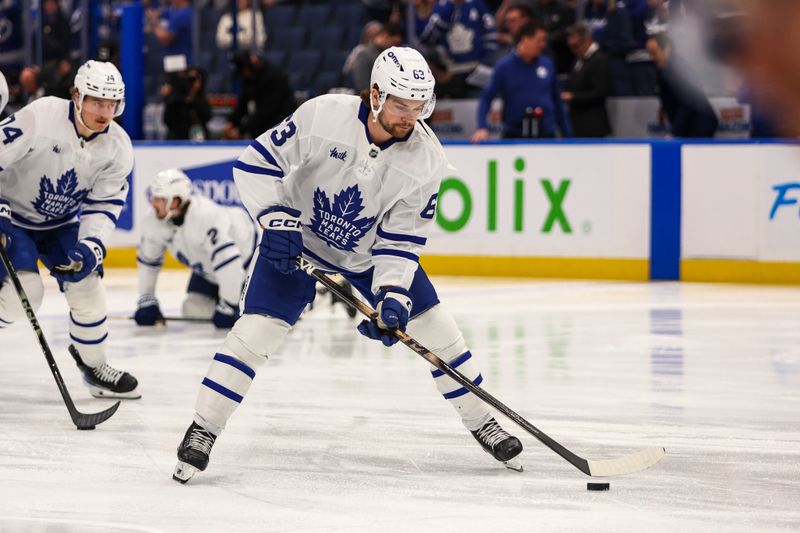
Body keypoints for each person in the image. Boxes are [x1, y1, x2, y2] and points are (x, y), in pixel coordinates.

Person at [172, 46, 523, 484]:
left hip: (368, 255)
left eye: (418, 105)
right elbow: (254, 164)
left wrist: (393, 294)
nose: (409, 116)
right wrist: (276, 220)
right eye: (400, 103)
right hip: (296, 242)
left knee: (442, 333)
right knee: (252, 337)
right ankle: (203, 429)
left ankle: (483, 422)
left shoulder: (427, 160)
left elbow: (401, 239)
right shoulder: (324, 116)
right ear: (375, 94)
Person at [0, 60, 140, 399]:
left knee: (87, 285)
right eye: (96, 101)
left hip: (59, 225)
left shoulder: (118, 147)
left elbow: (103, 205)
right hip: (11, 217)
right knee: (26, 291)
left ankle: (93, 366)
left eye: (111, 104)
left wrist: (91, 245)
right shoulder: (41, 116)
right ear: (76, 96)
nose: (104, 111)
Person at [134, 169, 258, 329]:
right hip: (211, 273)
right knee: (192, 309)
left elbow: (230, 263)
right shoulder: (153, 220)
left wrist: (229, 305)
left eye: (160, 198)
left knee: (266, 319)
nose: (153, 203)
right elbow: (148, 262)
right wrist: (147, 298)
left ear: (175, 201)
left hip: (254, 269)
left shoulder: (206, 217)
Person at [471, 22, 572, 141]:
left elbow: (557, 102)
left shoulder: (547, 64)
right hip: (514, 134)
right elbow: (486, 97)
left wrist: (568, 136)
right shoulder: (504, 66)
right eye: (539, 40)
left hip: (546, 134)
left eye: (544, 41)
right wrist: (482, 127)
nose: (542, 45)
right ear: (525, 39)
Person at [646, 33, 718, 138]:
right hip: (689, 123)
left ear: (667, 49)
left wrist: (675, 132)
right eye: (649, 54)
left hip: (699, 124)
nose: (651, 58)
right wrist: (664, 108)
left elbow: (685, 103)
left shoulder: (679, 70)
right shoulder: (663, 68)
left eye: (654, 53)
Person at [221, 52, 296, 140]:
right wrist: (231, 122)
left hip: (280, 129)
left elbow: (266, 111)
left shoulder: (274, 76)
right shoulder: (248, 77)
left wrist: (240, 130)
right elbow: (242, 103)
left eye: (243, 71)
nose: (243, 75)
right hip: (262, 129)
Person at [562, 22, 613, 137]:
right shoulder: (578, 59)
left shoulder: (600, 60)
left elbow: (600, 92)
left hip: (593, 124)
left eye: (576, 46)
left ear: (588, 40)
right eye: (570, 47)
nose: (573, 50)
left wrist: (573, 97)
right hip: (577, 123)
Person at [161, 67, 212, 141]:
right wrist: (168, 98)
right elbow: (167, 121)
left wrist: (192, 98)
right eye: (188, 79)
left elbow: (207, 116)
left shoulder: (201, 100)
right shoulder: (176, 100)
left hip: (198, 142)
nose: (191, 83)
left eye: (193, 79)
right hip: (176, 143)